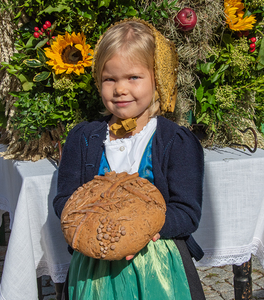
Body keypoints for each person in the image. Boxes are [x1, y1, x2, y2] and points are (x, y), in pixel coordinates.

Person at [53, 18, 205, 300]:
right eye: (110, 79)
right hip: (94, 269)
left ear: (157, 78)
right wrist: (93, 226)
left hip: (158, 268)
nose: (120, 89)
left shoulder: (176, 141)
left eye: (133, 77)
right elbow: (64, 200)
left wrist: (140, 229)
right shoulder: (82, 139)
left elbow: (187, 212)